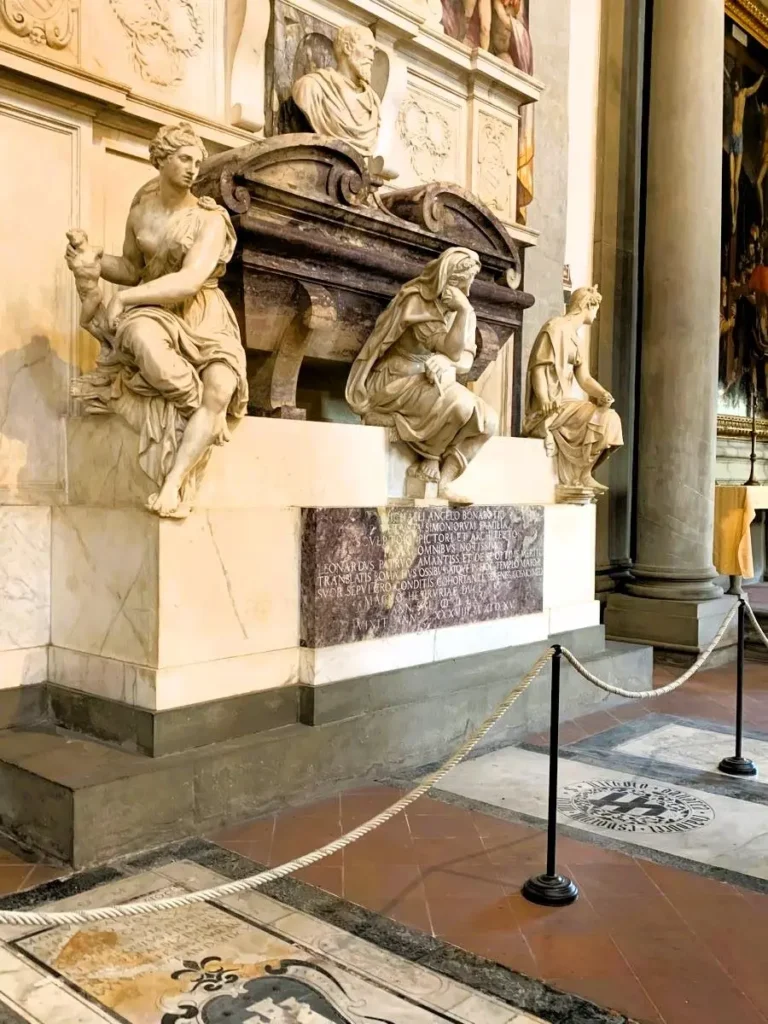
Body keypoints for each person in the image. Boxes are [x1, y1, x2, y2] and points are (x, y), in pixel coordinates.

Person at [65, 121, 248, 518]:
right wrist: (95, 261)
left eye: (197, 161)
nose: (193, 169)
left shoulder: (210, 219)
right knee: (141, 340)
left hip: (203, 315)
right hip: (154, 312)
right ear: (161, 160)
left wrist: (124, 298)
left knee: (221, 385)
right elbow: (133, 268)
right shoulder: (141, 209)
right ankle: (204, 416)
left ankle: (173, 483)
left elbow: (189, 280)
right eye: (184, 159)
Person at [346, 247, 497, 502]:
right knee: (460, 405)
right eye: (465, 282)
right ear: (448, 279)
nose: (469, 290)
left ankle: (444, 481)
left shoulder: (464, 309)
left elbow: (464, 359)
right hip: (394, 379)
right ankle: (430, 455)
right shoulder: (417, 301)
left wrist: (448, 363)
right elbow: (450, 349)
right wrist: (461, 313)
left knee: (489, 421)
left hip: (431, 381)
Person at [523, 285, 622, 494]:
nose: (596, 315)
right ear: (587, 305)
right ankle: (577, 472)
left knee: (609, 419)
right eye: (596, 309)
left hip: (565, 403)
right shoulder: (554, 328)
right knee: (601, 418)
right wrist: (544, 401)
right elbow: (538, 368)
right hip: (549, 404)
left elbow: (584, 379)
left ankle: (584, 473)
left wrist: (602, 393)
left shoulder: (577, 340)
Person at [292, 25, 381, 158]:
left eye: (374, 50)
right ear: (347, 47)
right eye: (368, 48)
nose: (372, 57)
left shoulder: (373, 103)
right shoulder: (312, 87)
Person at [729, 73, 764, 235]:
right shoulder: (733, 94)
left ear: (739, 83)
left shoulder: (743, 93)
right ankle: (733, 216)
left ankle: (735, 215)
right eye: (733, 85)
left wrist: (761, 77)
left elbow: (754, 88)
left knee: (736, 182)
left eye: (736, 85)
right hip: (732, 138)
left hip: (739, 140)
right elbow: (727, 75)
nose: (735, 87)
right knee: (731, 182)